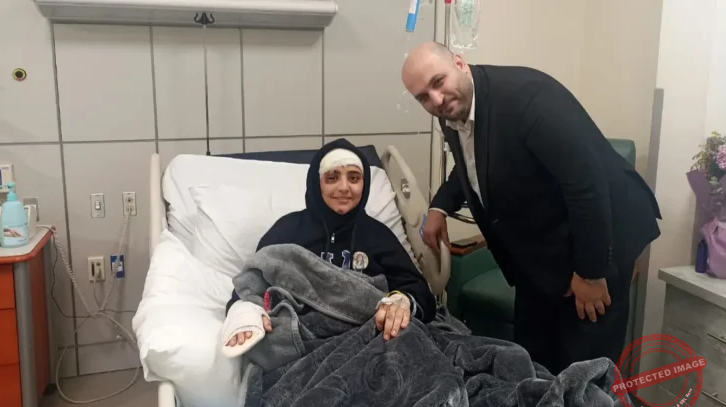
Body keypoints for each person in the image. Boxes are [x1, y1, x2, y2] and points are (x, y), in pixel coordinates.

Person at [401, 42, 662, 374]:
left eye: (438, 82)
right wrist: (440, 207)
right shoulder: (452, 110)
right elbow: (470, 163)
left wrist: (590, 273)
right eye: (423, 97)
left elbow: (585, 186)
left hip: (601, 232)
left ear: (459, 63)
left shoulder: (528, 99)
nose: (436, 100)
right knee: (531, 359)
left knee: (584, 371)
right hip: (540, 247)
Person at [222, 139, 437, 355]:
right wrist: (245, 313)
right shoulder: (287, 231)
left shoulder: (378, 235)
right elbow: (253, 280)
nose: (344, 187)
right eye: (332, 178)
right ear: (317, 184)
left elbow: (417, 289)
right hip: (303, 342)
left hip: (370, 343)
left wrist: (401, 302)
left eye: (354, 178)